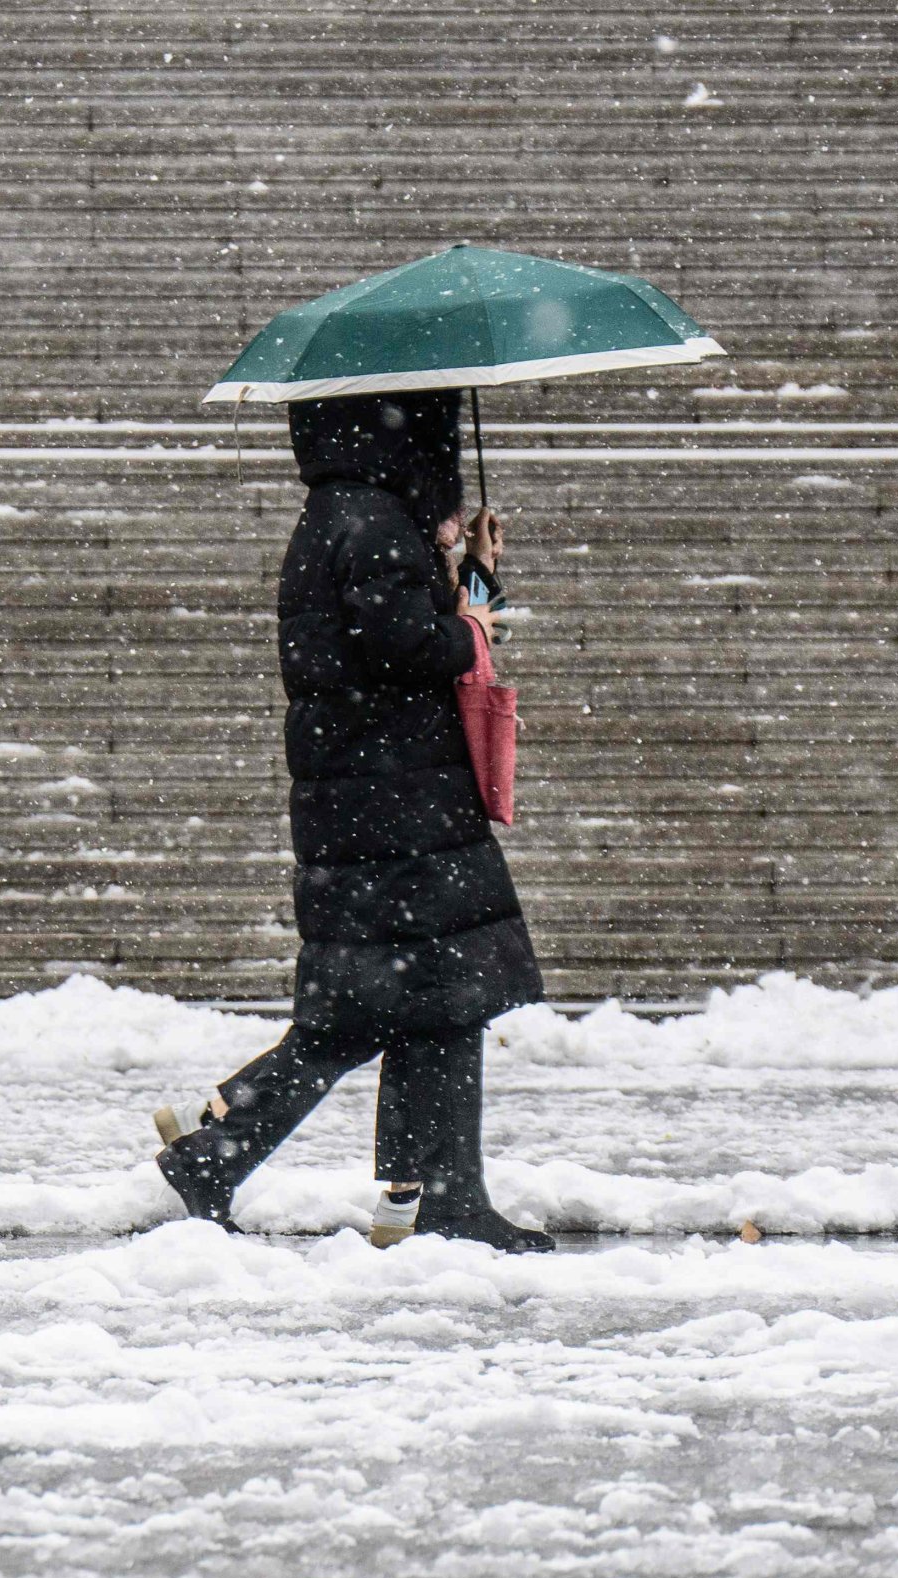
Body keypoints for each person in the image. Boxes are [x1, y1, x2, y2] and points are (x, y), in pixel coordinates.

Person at [154, 393, 551, 1249]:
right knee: (413, 999)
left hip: (377, 793)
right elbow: (407, 647)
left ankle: (396, 1193)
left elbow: (414, 631)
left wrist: (470, 573)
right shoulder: (369, 522)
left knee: (400, 1003)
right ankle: (431, 1201)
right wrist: (470, 618)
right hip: (393, 798)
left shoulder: (348, 515)